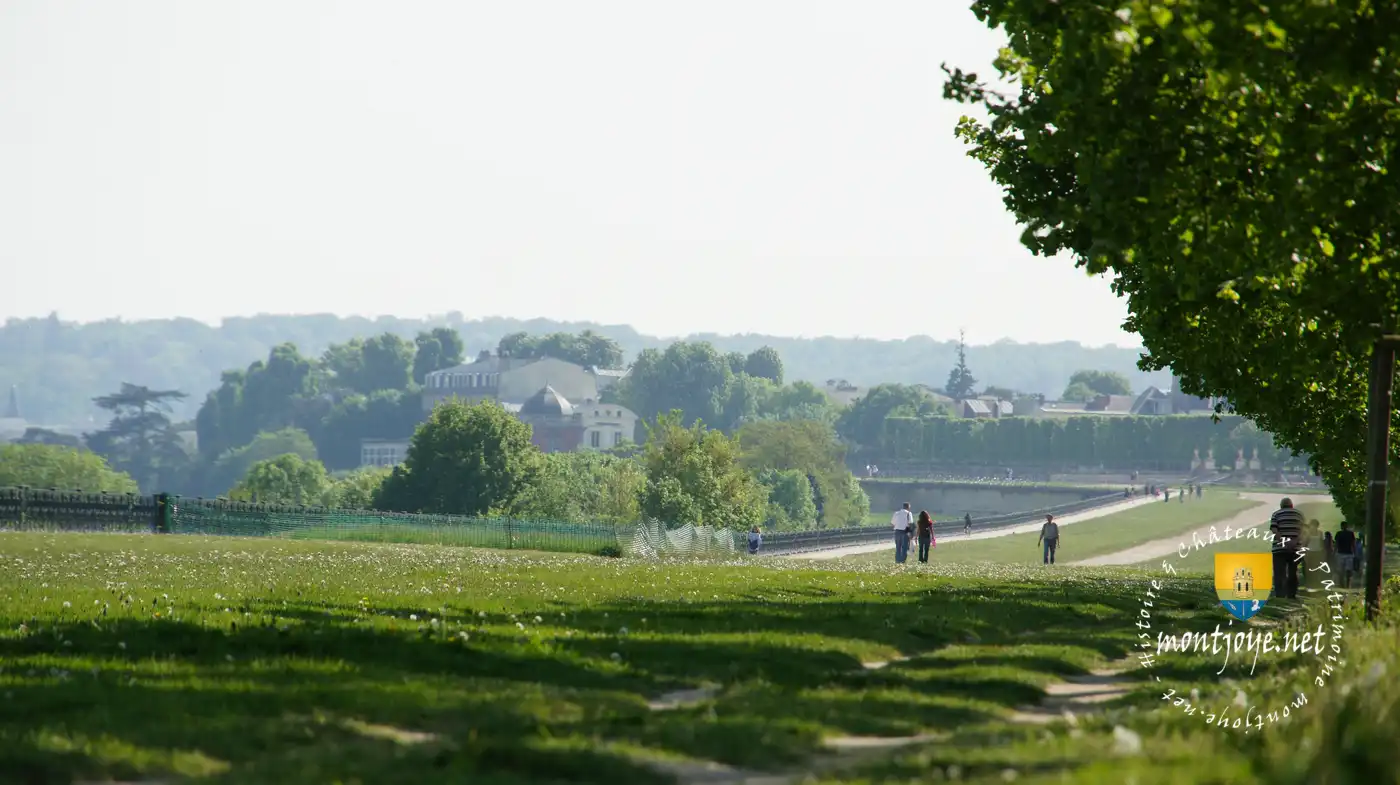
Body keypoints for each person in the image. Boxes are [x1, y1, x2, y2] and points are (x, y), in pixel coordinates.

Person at [1269, 498, 1305, 599]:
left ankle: (1280, 594)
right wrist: (1294, 542)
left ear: (1281, 505)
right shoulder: (1299, 514)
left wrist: (1283, 542)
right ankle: (1291, 594)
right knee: (1293, 571)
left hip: (1279, 548)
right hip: (1295, 548)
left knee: (1279, 572)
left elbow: (1274, 530)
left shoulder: (1276, 514)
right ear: (1292, 505)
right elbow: (1302, 531)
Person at [1334, 521, 1357, 589]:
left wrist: (1334, 552)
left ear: (1341, 527)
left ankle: (1342, 584)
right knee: (1348, 571)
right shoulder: (1350, 534)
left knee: (1341, 570)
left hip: (1341, 553)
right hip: (1348, 554)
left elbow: (1336, 544)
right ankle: (1347, 584)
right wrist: (1355, 553)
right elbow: (1353, 544)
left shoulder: (1339, 533)